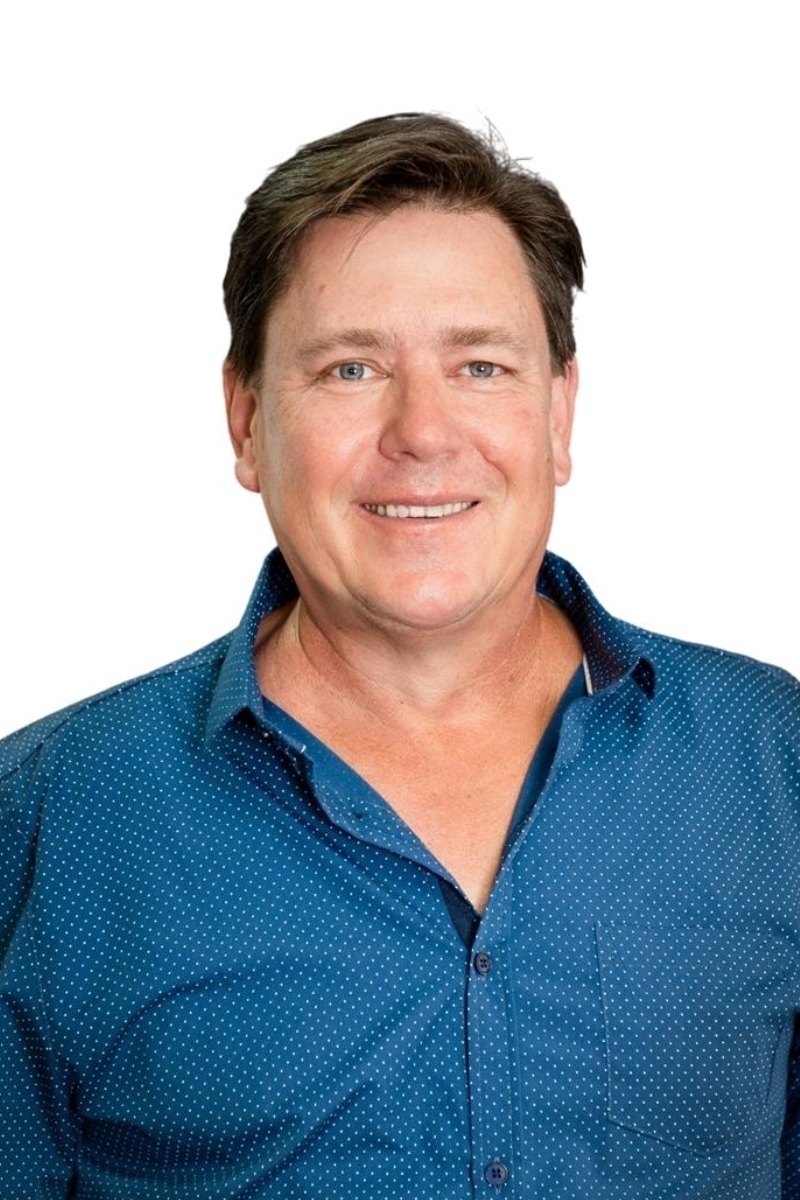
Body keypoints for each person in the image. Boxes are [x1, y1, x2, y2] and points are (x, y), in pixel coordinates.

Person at [1, 113, 799, 1200]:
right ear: (245, 419)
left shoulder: (771, 764)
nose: (422, 431)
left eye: (479, 365)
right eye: (350, 369)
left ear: (558, 412)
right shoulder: (50, 822)